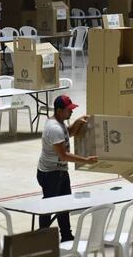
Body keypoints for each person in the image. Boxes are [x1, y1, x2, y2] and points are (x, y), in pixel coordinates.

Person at [37, 95, 98, 242]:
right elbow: (64, 155)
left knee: (65, 203)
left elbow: (67, 134)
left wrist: (76, 124)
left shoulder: (60, 123)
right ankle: (42, 239)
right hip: (50, 173)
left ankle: (66, 235)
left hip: (60, 171)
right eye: (68, 110)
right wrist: (85, 160)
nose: (71, 112)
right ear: (59, 111)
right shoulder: (54, 128)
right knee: (49, 206)